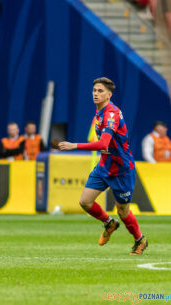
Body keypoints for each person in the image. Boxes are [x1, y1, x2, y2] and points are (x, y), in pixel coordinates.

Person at [59, 77, 147, 255]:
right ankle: (109, 223)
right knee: (85, 202)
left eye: (100, 91)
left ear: (109, 94)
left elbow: (103, 144)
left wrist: (74, 145)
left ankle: (140, 240)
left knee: (123, 210)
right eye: (94, 91)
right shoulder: (99, 111)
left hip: (121, 169)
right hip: (104, 165)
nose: (96, 94)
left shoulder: (111, 114)